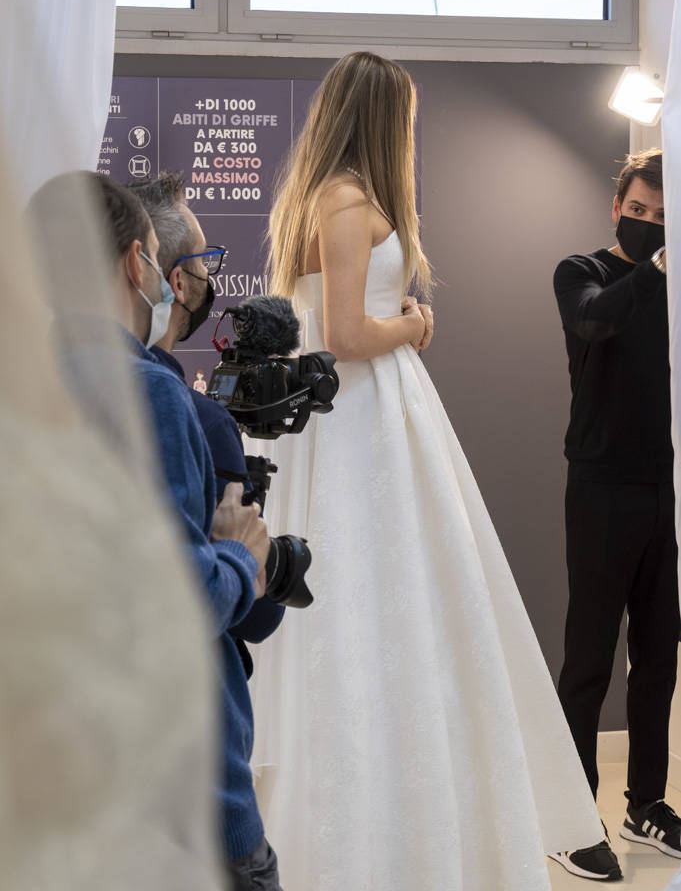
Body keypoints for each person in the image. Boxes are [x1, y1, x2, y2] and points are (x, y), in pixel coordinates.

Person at [245, 51, 604, 891]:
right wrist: (412, 326)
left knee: (386, 598)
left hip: (359, 421)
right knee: (369, 598)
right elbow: (343, 335)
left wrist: (399, 318)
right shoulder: (347, 200)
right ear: (380, 116)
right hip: (357, 420)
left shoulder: (330, 198)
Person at [131, 172, 286, 891]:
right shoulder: (185, 411)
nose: (207, 278)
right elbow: (245, 614)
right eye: (202, 261)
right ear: (168, 278)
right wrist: (248, 558)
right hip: (198, 781)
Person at [551, 149, 681, 879]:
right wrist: (656, 264)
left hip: (665, 488)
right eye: (637, 211)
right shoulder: (581, 271)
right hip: (601, 487)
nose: (646, 223)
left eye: (661, 216)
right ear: (615, 209)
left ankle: (645, 805)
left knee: (658, 656)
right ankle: (574, 819)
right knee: (589, 660)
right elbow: (593, 322)